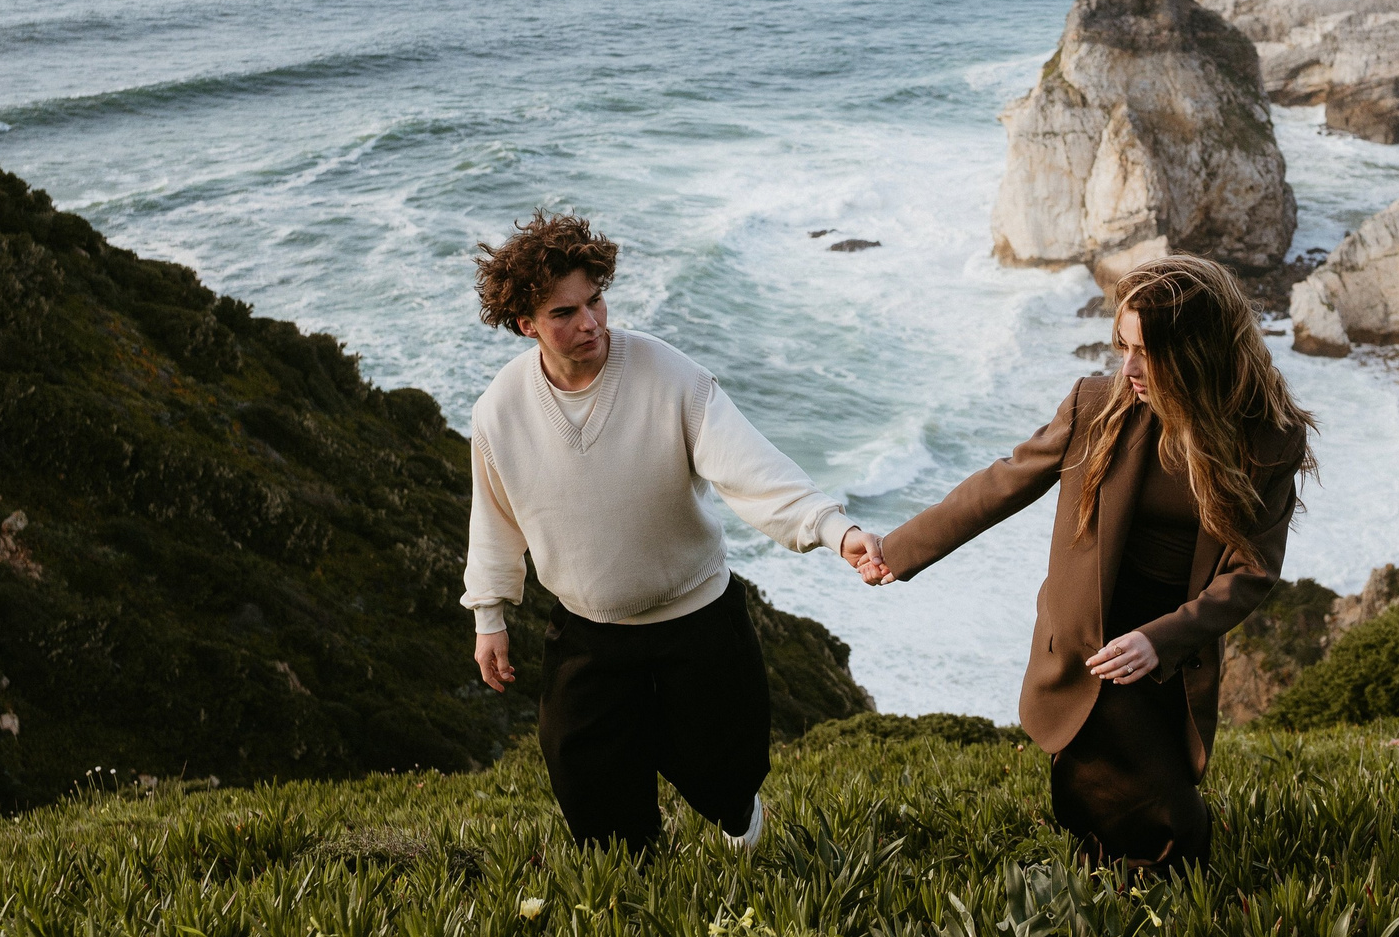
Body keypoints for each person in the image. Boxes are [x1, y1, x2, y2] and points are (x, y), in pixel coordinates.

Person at [861, 254, 1314, 869]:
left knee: (1153, 789)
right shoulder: (1096, 406)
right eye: (1122, 346)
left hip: (1170, 637)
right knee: (1120, 786)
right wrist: (900, 550)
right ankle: (1129, 878)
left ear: (1198, 351)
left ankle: (1146, 886)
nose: (1127, 368)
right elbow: (1005, 482)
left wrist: (1163, 639)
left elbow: (1252, 571)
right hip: (1089, 629)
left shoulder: (1267, 438)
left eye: (1147, 353)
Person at [463, 211, 885, 853]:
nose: (590, 323)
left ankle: (741, 820)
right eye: (564, 313)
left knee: (727, 780)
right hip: (587, 633)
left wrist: (831, 527)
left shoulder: (671, 376)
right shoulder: (499, 412)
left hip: (697, 619)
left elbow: (750, 467)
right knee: (596, 805)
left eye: (596, 300)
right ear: (526, 324)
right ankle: (643, 901)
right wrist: (489, 614)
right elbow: (493, 518)